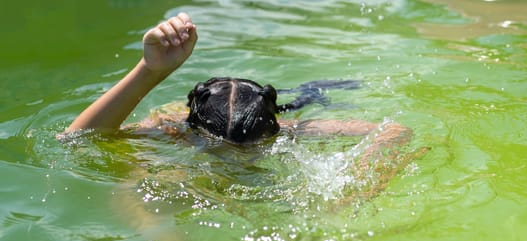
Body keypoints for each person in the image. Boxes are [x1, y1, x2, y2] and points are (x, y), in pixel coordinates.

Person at [65, 13, 412, 150]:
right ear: (194, 133)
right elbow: (75, 140)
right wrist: (150, 70)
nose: (235, 167)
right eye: (221, 155)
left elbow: (395, 130)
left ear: (274, 131)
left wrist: (360, 188)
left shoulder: (288, 129)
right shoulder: (172, 128)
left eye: (249, 154)